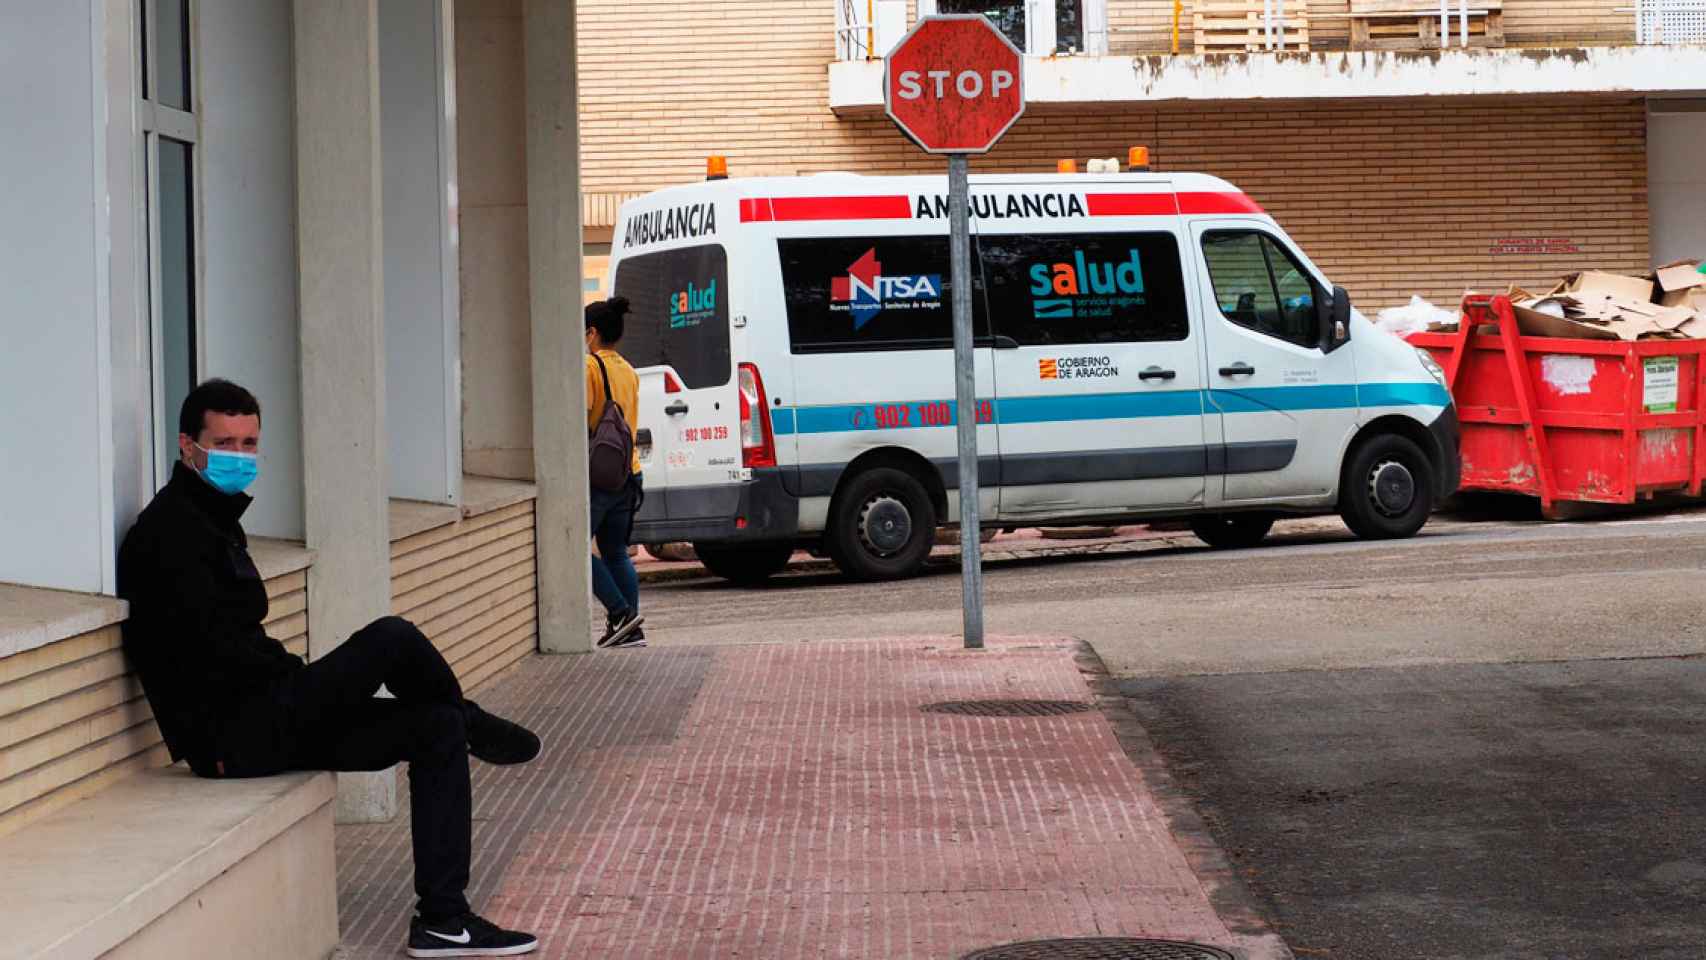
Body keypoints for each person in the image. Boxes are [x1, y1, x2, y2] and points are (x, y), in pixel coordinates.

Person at [117, 379, 541, 959]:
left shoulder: (212, 519)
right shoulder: (168, 535)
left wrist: (303, 686)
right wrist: (308, 686)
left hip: (271, 712)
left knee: (433, 727)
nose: (240, 457)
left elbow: (239, 647)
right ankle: (472, 719)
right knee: (391, 638)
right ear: (188, 446)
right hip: (234, 736)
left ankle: (444, 920)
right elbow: (211, 660)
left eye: (250, 443)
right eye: (225, 443)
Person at [585, 296, 647, 649]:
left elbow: (582, 417)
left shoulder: (591, 367)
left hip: (601, 476)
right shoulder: (628, 369)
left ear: (592, 333)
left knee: (576, 549)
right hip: (630, 471)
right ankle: (629, 629)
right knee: (616, 551)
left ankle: (622, 614)